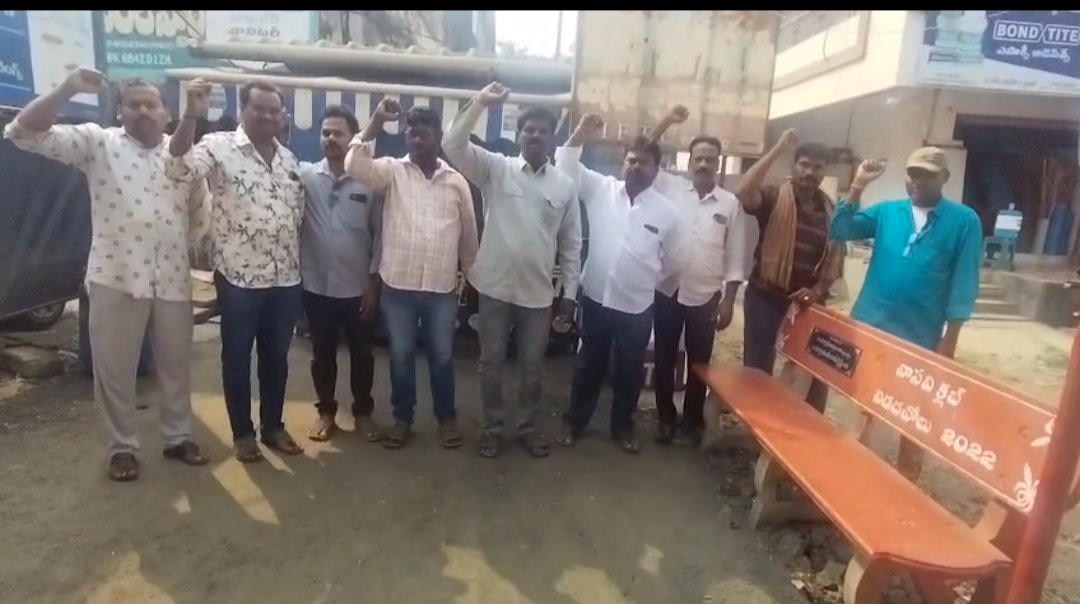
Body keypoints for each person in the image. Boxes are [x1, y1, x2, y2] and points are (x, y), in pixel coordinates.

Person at [5, 68, 211, 481]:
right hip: (116, 275)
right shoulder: (98, 143)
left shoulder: (184, 157)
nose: (143, 111)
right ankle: (122, 448)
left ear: (166, 113)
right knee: (114, 369)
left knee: (176, 365)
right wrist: (67, 89)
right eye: (133, 104)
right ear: (119, 112)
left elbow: (197, 216)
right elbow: (23, 132)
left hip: (171, 278)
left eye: (151, 104)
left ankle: (177, 437)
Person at [166, 79, 306, 463]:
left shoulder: (289, 159)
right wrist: (190, 114)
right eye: (259, 108)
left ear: (282, 116)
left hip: (285, 279)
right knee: (237, 358)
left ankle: (273, 427)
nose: (268, 116)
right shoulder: (218, 146)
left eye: (274, 110)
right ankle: (243, 433)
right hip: (239, 279)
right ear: (243, 109)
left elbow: (297, 214)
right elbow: (178, 167)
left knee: (276, 359)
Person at [442, 82, 582, 459]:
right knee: (490, 364)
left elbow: (571, 245)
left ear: (552, 139)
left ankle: (528, 428)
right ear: (518, 135)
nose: (535, 135)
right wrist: (480, 102)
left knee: (533, 368)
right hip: (494, 289)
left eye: (543, 131)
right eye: (528, 129)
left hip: (538, 296)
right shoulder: (495, 168)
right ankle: (491, 427)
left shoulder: (565, 186)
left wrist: (569, 297)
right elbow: (452, 145)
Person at [831, 148, 982, 481]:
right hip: (872, 326)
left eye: (927, 174)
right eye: (913, 173)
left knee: (915, 412)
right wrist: (858, 184)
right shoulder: (889, 211)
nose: (917, 181)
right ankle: (859, 474)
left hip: (920, 335)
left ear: (944, 178)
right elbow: (840, 229)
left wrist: (950, 340)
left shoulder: (964, 221)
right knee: (868, 401)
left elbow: (964, 281)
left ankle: (906, 479)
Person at [345, 100, 479, 450]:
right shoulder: (391, 172)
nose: (416, 140)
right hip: (398, 288)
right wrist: (376, 122)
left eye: (424, 134)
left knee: (442, 356)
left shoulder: (456, 182)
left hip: (441, 289)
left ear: (438, 136)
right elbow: (353, 163)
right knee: (401, 357)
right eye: (411, 133)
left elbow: (468, 236)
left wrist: (472, 279)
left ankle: (446, 418)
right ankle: (402, 419)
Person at [553, 114, 689, 453]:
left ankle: (623, 428)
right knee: (588, 365)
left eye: (643, 163)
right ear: (623, 163)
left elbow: (676, 261)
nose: (635, 167)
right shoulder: (600, 189)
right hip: (596, 299)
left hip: (637, 306)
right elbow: (565, 164)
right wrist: (580, 133)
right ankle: (574, 422)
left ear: (656, 169)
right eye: (631, 161)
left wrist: (647, 279)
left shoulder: (668, 213)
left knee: (629, 371)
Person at [646, 105, 749, 445]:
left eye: (710, 159)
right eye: (698, 158)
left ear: (718, 164)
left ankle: (692, 420)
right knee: (664, 356)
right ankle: (665, 417)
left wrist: (729, 301)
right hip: (668, 289)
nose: (703, 164)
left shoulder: (729, 203)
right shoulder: (670, 187)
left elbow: (735, 255)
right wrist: (667, 121)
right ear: (689, 161)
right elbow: (645, 151)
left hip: (706, 296)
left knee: (699, 362)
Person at [734, 129, 843, 412]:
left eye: (817, 167)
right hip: (766, 297)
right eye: (804, 164)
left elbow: (833, 263)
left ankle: (804, 429)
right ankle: (756, 424)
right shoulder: (774, 198)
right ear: (794, 166)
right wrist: (778, 149)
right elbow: (744, 193)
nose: (809, 172)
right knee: (758, 367)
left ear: (824, 172)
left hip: (808, 304)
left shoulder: (830, 211)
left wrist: (817, 291)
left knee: (813, 372)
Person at [298, 105, 385, 443]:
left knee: (362, 354)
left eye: (338, 133)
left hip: (358, 288)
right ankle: (326, 412)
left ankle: (363, 413)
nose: (330, 138)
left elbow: (380, 236)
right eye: (325, 133)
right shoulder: (306, 177)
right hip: (316, 287)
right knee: (322, 354)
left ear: (353, 139)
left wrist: (374, 283)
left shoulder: (369, 182)